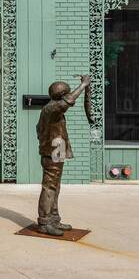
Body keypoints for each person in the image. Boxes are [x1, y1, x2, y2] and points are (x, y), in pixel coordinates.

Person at [35, 74, 91, 236]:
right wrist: (83, 85)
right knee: (49, 186)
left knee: (55, 186)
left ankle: (53, 218)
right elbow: (69, 101)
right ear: (63, 95)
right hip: (53, 150)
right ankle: (44, 221)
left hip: (56, 148)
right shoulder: (52, 108)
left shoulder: (51, 109)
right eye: (67, 93)